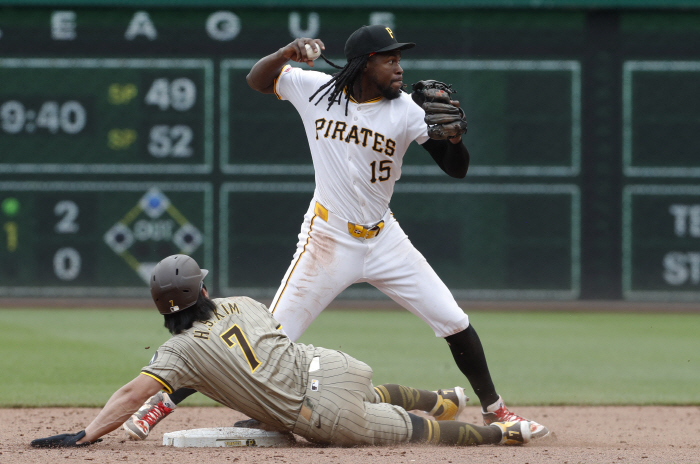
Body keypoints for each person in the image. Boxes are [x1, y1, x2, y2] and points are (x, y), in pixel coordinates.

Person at [124, 24, 549, 441]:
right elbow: (257, 80)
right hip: (327, 238)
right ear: (365, 63)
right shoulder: (316, 89)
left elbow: (457, 169)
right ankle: (158, 406)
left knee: (454, 320)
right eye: (390, 59)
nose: (399, 67)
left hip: (385, 239)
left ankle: (498, 410)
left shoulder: (406, 110)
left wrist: (454, 141)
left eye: (400, 58)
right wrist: (285, 52)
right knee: (262, 339)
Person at [31, 255, 532, 449]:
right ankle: (443, 395)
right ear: (202, 292)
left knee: (413, 433)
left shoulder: (176, 354)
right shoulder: (241, 304)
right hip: (334, 364)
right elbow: (255, 354)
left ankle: (502, 434)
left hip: (321, 414)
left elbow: (131, 392)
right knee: (367, 394)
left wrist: (89, 433)